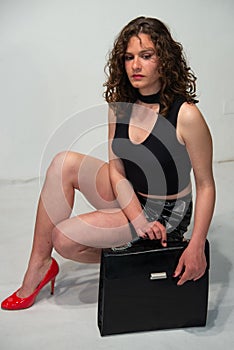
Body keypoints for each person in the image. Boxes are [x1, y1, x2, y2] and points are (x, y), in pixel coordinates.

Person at [1, 16, 215, 310]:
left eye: (146, 55)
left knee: (63, 240)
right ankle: (38, 266)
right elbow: (116, 169)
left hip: (165, 214)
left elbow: (205, 186)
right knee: (62, 162)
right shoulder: (120, 106)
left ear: (165, 59)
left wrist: (196, 246)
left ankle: (137, 258)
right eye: (129, 57)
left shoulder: (186, 115)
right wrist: (136, 217)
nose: (135, 66)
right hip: (130, 197)